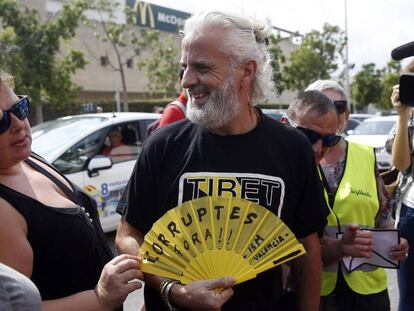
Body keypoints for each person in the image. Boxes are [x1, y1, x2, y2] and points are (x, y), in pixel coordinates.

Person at [116, 11, 327, 311]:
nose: (187, 80)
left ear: (246, 71)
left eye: (202, 67)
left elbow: (307, 250)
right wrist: (173, 290)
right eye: (184, 67)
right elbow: (128, 234)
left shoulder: (292, 149)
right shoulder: (163, 145)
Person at [0, 70, 144, 310]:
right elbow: (18, 307)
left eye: (19, 109)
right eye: (0, 120)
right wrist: (100, 297)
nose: (17, 124)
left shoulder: (26, 158)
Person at [301, 80, 408, 311]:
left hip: (366, 290)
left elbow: (383, 215)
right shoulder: (295, 161)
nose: (328, 111)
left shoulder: (366, 156)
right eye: (319, 104)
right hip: (316, 287)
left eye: (336, 106)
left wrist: (396, 242)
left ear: (346, 115)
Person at [385, 59, 414, 311]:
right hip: (411, 213)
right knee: (409, 295)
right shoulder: (410, 115)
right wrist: (403, 117)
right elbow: (401, 163)